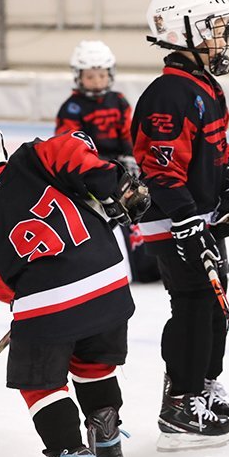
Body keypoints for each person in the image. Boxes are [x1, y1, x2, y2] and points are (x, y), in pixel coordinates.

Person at [0, 114, 149, 457]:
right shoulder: (32, 160)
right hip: (110, 282)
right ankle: (106, 433)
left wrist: (34, 310)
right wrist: (115, 183)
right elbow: (73, 146)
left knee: (40, 382)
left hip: (49, 303)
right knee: (92, 362)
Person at [133, 0, 229, 451]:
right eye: (213, 28)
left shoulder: (205, 87)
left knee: (214, 306)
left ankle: (203, 384)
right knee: (193, 304)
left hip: (199, 218)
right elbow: (159, 167)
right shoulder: (169, 93)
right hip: (173, 223)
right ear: (181, 32)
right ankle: (180, 401)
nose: (222, 39)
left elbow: (218, 151)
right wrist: (185, 218)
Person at [56, 40, 159, 284]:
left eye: (101, 75)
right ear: (79, 77)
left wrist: (131, 157)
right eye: (90, 76)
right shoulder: (71, 108)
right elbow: (67, 146)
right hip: (88, 170)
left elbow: (128, 133)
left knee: (144, 199)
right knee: (102, 213)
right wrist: (94, 166)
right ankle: (101, 262)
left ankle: (151, 256)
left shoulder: (119, 101)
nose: (97, 81)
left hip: (116, 166)